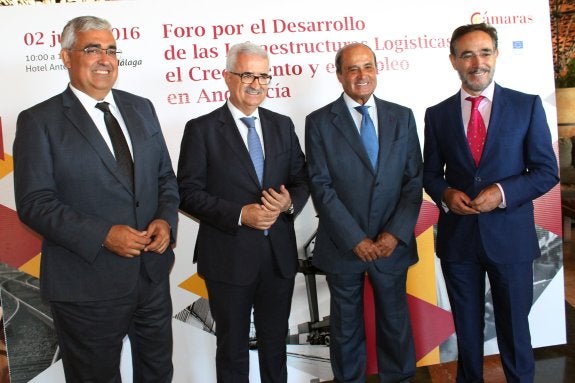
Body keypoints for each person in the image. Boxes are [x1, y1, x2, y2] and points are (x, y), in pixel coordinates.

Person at [13, 16, 179, 382]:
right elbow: (34, 203)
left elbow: (165, 178)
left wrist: (165, 220)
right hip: (85, 286)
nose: (105, 58)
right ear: (66, 57)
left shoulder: (142, 108)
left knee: (158, 373)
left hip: (151, 279)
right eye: (92, 49)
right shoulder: (38, 121)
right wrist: (103, 234)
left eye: (111, 50)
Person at [423, 23, 559, 383]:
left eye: (484, 52)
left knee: (515, 331)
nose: (477, 62)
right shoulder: (436, 115)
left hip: (511, 239)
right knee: (467, 333)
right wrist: (447, 195)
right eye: (467, 54)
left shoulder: (526, 106)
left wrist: (501, 193)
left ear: (496, 55)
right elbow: (431, 175)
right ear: (453, 60)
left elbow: (546, 171)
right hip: (458, 241)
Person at [177, 41, 309, 383]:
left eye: (263, 76)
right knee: (232, 349)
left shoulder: (282, 125)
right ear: (227, 77)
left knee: (275, 346)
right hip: (227, 258)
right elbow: (187, 193)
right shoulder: (201, 129)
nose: (256, 83)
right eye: (247, 74)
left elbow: (301, 178)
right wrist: (240, 214)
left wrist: (288, 203)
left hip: (278, 258)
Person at [305, 43, 423, 383]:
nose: (361, 75)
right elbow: (320, 186)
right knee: (345, 329)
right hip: (344, 245)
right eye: (353, 69)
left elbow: (413, 181)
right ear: (340, 74)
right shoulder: (319, 122)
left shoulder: (402, 116)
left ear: (376, 70)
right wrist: (355, 238)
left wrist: (393, 234)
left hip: (392, 243)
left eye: (367, 66)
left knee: (395, 324)